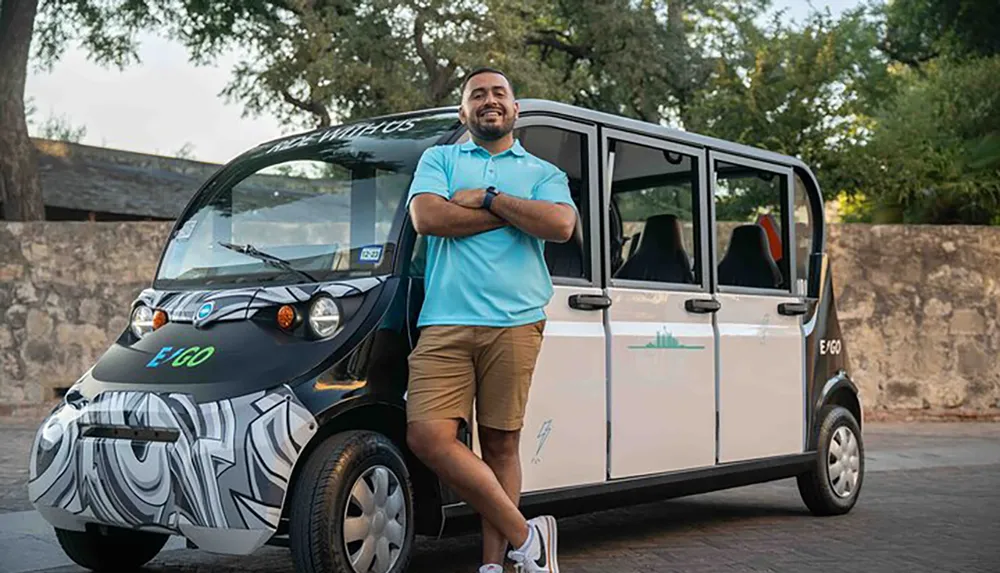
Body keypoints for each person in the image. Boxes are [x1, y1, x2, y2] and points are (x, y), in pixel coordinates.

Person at [404, 67, 576, 573]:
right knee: (428, 438)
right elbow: (427, 218)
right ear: (464, 112)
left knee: (501, 443)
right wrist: (518, 216)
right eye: (477, 95)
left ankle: (495, 565)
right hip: (444, 322)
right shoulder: (439, 159)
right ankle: (529, 536)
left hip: (516, 322)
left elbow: (561, 224)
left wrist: (487, 198)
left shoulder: (545, 173)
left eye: (499, 93)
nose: (489, 100)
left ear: (515, 109)